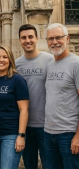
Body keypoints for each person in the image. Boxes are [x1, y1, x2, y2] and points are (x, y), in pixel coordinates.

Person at [15, 24, 53, 169]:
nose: (27, 40)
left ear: (37, 38)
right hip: (25, 127)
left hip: (47, 126)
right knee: (29, 165)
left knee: (49, 164)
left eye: (31, 37)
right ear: (19, 40)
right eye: (23, 37)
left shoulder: (50, 60)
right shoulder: (16, 64)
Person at [44, 23, 79, 169]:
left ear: (67, 39)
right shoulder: (50, 64)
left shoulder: (76, 63)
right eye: (50, 38)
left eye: (58, 37)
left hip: (69, 133)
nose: (54, 42)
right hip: (48, 132)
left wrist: (78, 136)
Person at [0, 45, 29, 169]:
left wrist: (21, 136)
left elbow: (24, 110)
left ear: (10, 60)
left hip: (11, 135)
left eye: (5, 57)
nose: (1, 60)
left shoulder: (17, 80)